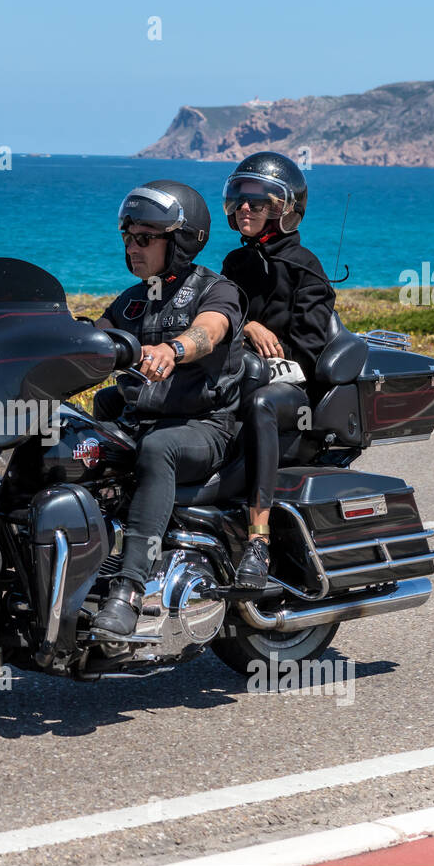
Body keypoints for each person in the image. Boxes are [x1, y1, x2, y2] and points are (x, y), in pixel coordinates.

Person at [89, 180, 246, 637]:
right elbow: (97, 336)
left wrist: (174, 350)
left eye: (144, 238)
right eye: (127, 236)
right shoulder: (133, 299)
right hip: (142, 417)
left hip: (203, 426)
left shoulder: (215, 290)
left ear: (179, 241)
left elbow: (210, 331)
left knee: (158, 448)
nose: (132, 247)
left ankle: (129, 591)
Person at [219, 152, 337, 590]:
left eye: (258, 201)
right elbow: (220, 316)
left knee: (262, 403)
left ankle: (259, 537)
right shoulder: (235, 264)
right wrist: (247, 325)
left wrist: (270, 357)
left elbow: (309, 354)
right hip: (240, 373)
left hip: (293, 391)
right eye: (240, 199)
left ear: (285, 209)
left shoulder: (306, 269)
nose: (245, 208)